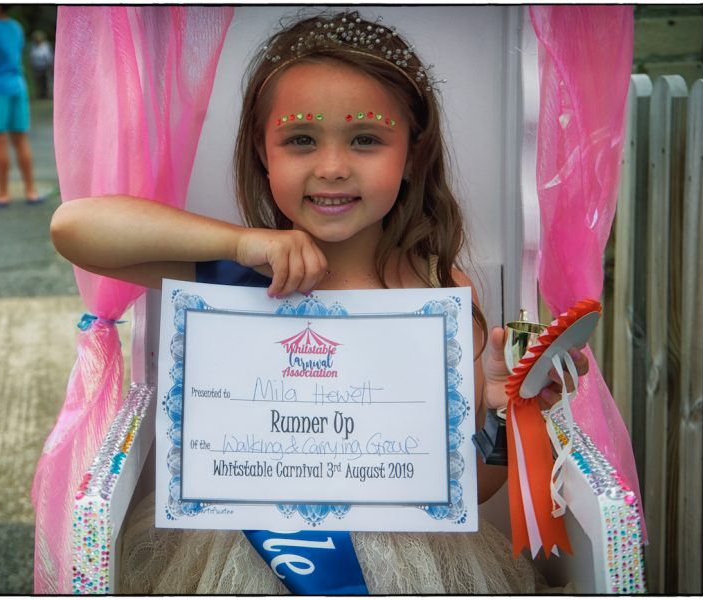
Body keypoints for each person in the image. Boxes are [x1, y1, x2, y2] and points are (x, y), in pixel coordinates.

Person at [50, 10, 588, 593]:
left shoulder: (440, 289)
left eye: (366, 139)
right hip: (242, 561)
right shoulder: (233, 276)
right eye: (301, 139)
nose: (332, 168)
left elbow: (470, 488)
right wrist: (240, 243)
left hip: (415, 565)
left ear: (412, 154)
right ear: (264, 152)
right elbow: (75, 228)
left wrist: (504, 413)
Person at [0, 4, 45, 207]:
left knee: (0, 141)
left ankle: (2, 194)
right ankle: (31, 191)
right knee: (21, 140)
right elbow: (15, 55)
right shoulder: (16, 27)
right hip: (18, 86)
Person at [29, 30, 53, 100]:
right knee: (38, 80)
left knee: (45, 80)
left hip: (45, 65)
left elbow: (48, 56)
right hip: (36, 66)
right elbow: (31, 56)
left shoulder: (46, 45)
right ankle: (40, 93)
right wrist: (31, 63)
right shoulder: (33, 46)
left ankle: (46, 94)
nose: (37, 40)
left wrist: (49, 64)